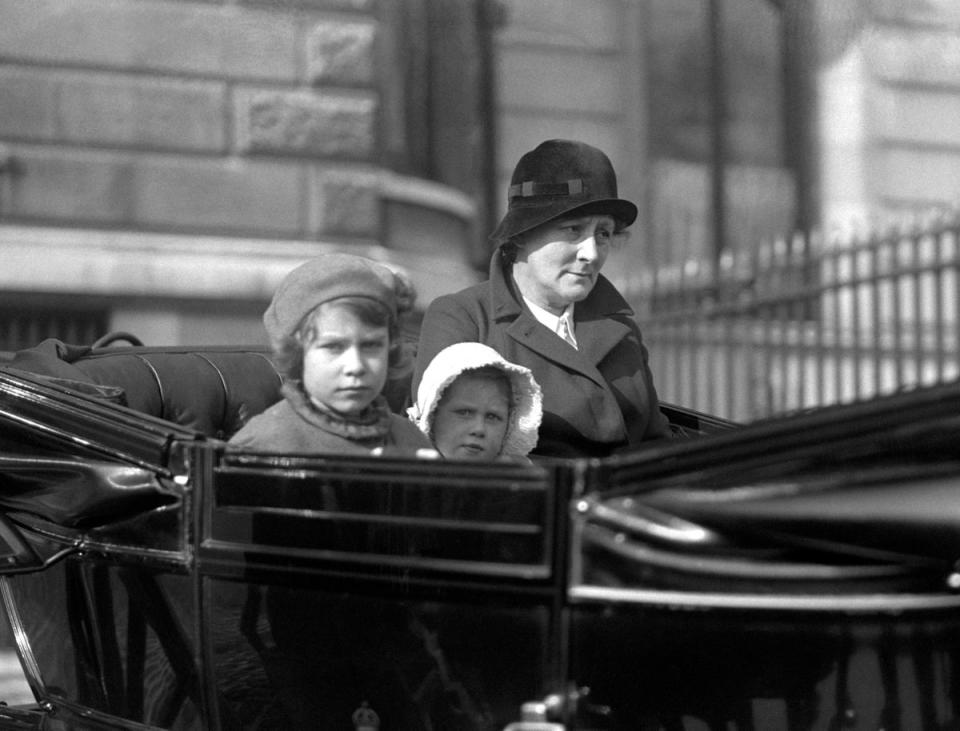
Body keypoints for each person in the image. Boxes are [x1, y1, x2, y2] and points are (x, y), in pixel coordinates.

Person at [413, 138, 672, 457]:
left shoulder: (621, 329)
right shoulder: (465, 318)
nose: (590, 254)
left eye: (602, 233)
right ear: (521, 235)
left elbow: (655, 443)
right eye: (573, 230)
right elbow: (443, 445)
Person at [229, 253, 434, 455]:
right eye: (333, 347)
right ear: (298, 353)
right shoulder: (262, 447)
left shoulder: (410, 442)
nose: (356, 366)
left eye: (371, 345)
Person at [408, 341, 542, 461]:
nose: (479, 429)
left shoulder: (521, 481)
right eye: (464, 413)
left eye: (492, 417)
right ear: (433, 415)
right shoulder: (403, 477)